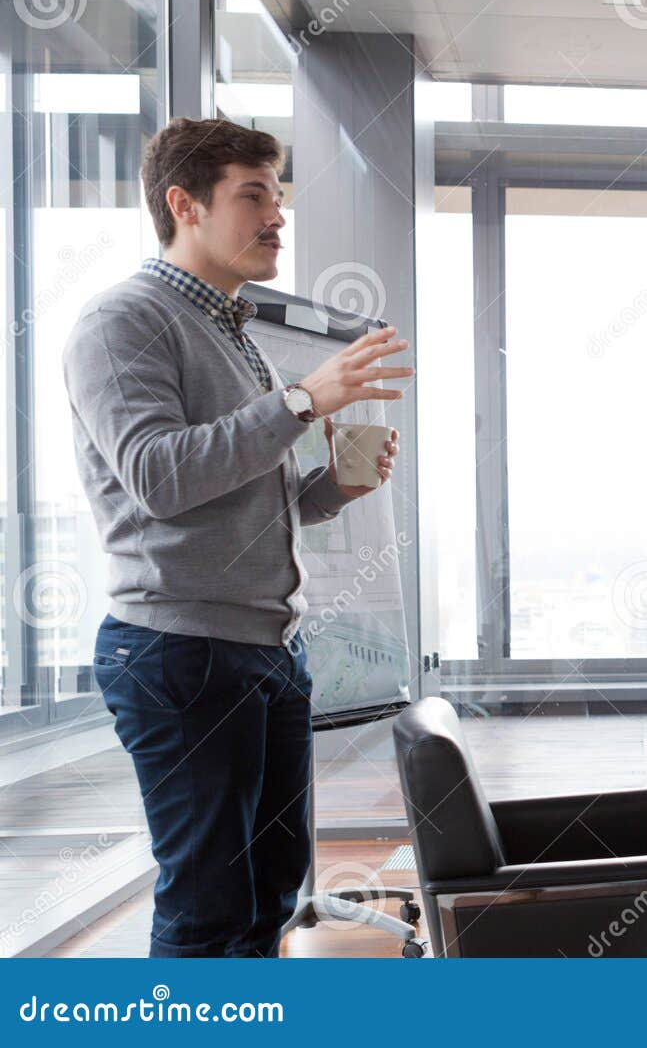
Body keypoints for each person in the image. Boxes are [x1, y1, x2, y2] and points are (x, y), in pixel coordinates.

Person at [63, 118, 413, 957]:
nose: (276, 217)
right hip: (182, 656)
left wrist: (334, 488)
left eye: (278, 195)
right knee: (208, 910)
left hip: (264, 652)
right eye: (253, 195)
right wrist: (299, 403)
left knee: (270, 896)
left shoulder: (233, 330)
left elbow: (240, 497)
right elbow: (158, 476)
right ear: (183, 204)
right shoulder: (122, 322)